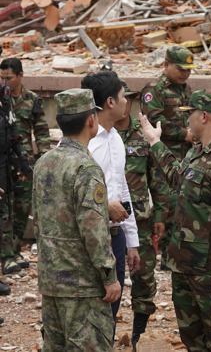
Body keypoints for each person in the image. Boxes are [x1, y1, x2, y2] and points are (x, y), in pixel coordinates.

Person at [143, 91, 211, 352]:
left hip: (210, 269)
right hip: (185, 263)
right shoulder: (197, 153)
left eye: (189, 114)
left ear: (203, 116)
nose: (186, 120)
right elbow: (177, 179)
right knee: (194, 339)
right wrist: (156, 143)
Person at [34, 89, 120, 350]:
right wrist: (109, 275)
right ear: (91, 120)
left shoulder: (44, 162)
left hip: (51, 282)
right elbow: (93, 228)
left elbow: (39, 221)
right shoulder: (85, 167)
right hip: (82, 287)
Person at [81, 71, 141, 327]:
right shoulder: (85, 142)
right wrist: (104, 208)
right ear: (110, 103)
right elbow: (73, 196)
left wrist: (132, 240)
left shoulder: (116, 139)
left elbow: (122, 189)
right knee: (88, 316)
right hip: (92, 240)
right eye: (122, 96)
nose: (127, 101)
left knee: (110, 313)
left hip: (116, 238)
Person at [120, 81, 166, 351]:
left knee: (144, 279)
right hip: (109, 222)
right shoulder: (97, 134)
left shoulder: (142, 134)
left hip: (141, 219)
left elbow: (157, 179)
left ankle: (139, 335)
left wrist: (160, 214)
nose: (126, 102)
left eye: (130, 98)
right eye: (122, 97)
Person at [1, 57, 43, 274]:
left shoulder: (32, 100)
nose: (4, 82)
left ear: (20, 76)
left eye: (8, 78)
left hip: (24, 163)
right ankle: (6, 255)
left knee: (22, 207)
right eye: (1, 78)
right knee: (5, 209)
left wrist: (43, 161)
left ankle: (15, 248)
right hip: (3, 163)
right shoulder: (1, 101)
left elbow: (42, 133)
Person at [142, 45, 195, 160]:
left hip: (187, 156)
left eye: (188, 70)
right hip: (164, 157)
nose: (185, 74)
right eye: (181, 69)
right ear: (166, 65)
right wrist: (184, 134)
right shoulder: (155, 89)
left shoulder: (187, 90)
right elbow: (154, 120)